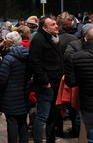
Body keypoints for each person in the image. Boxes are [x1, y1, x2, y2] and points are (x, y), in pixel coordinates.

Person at [28, 15, 63, 143]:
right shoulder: (39, 39)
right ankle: (38, 141)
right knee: (43, 115)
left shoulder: (54, 38)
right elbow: (34, 62)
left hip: (55, 83)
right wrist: (45, 81)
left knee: (53, 116)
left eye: (56, 23)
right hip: (45, 85)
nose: (56, 26)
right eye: (53, 24)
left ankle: (51, 139)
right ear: (44, 27)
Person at [0, 31, 30, 143]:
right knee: (23, 122)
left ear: (9, 43)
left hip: (10, 96)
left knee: (12, 124)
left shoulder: (8, 59)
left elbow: (2, 80)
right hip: (23, 94)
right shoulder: (27, 55)